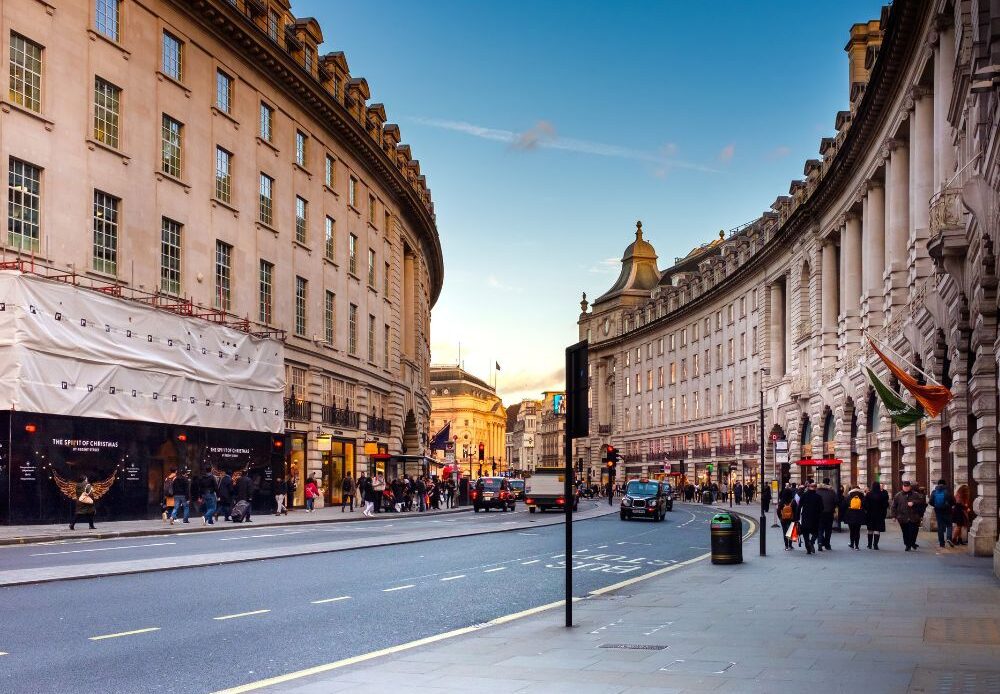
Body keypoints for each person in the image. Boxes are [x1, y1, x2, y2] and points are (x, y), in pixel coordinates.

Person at [892, 480, 924, 551]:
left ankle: (912, 542)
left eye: (907, 486)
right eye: (904, 486)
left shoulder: (915, 494)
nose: (906, 488)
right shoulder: (898, 495)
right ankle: (907, 545)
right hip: (902, 517)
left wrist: (913, 503)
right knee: (905, 532)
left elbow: (921, 502)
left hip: (914, 516)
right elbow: (894, 506)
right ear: (902, 487)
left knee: (913, 531)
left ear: (910, 487)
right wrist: (894, 516)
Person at [798, 482, 824, 554]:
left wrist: (797, 517)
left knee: (805, 534)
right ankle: (812, 542)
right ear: (815, 488)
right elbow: (822, 508)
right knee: (815, 532)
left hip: (805, 517)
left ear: (808, 487)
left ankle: (808, 549)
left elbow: (799, 506)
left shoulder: (804, 495)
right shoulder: (818, 497)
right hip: (815, 518)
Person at [929, 478, 955, 548]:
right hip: (947, 511)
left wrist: (936, 506)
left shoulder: (934, 492)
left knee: (940, 527)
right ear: (945, 484)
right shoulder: (948, 491)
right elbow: (953, 501)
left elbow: (930, 501)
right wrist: (949, 505)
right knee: (949, 525)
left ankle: (941, 543)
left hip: (938, 511)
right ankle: (949, 538)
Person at [864, 482, 889, 549]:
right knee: (877, 530)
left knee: (870, 529)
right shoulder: (882, 495)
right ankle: (875, 545)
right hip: (879, 515)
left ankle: (869, 545)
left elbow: (865, 504)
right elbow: (886, 505)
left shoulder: (868, 494)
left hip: (870, 514)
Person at [816, 477, 837, 551]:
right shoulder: (832, 492)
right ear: (829, 482)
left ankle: (820, 543)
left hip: (819, 513)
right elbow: (836, 501)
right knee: (828, 529)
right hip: (829, 513)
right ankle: (827, 544)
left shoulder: (817, 491)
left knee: (820, 529)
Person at [843, 485, 866, 550]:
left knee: (852, 530)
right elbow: (865, 505)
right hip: (859, 515)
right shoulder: (862, 496)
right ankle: (857, 546)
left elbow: (844, 505)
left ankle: (852, 544)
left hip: (850, 515)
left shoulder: (848, 496)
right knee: (857, 531)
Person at [777, 483, 797, 550]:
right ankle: (790, 545)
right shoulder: (793, 501)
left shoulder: (782, 502)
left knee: (784, 531)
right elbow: (795, 511)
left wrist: (780, 517)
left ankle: (786, 546)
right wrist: (795, 518)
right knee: (790, 531)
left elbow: (778, 510)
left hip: (783, 519)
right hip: (791, 518)